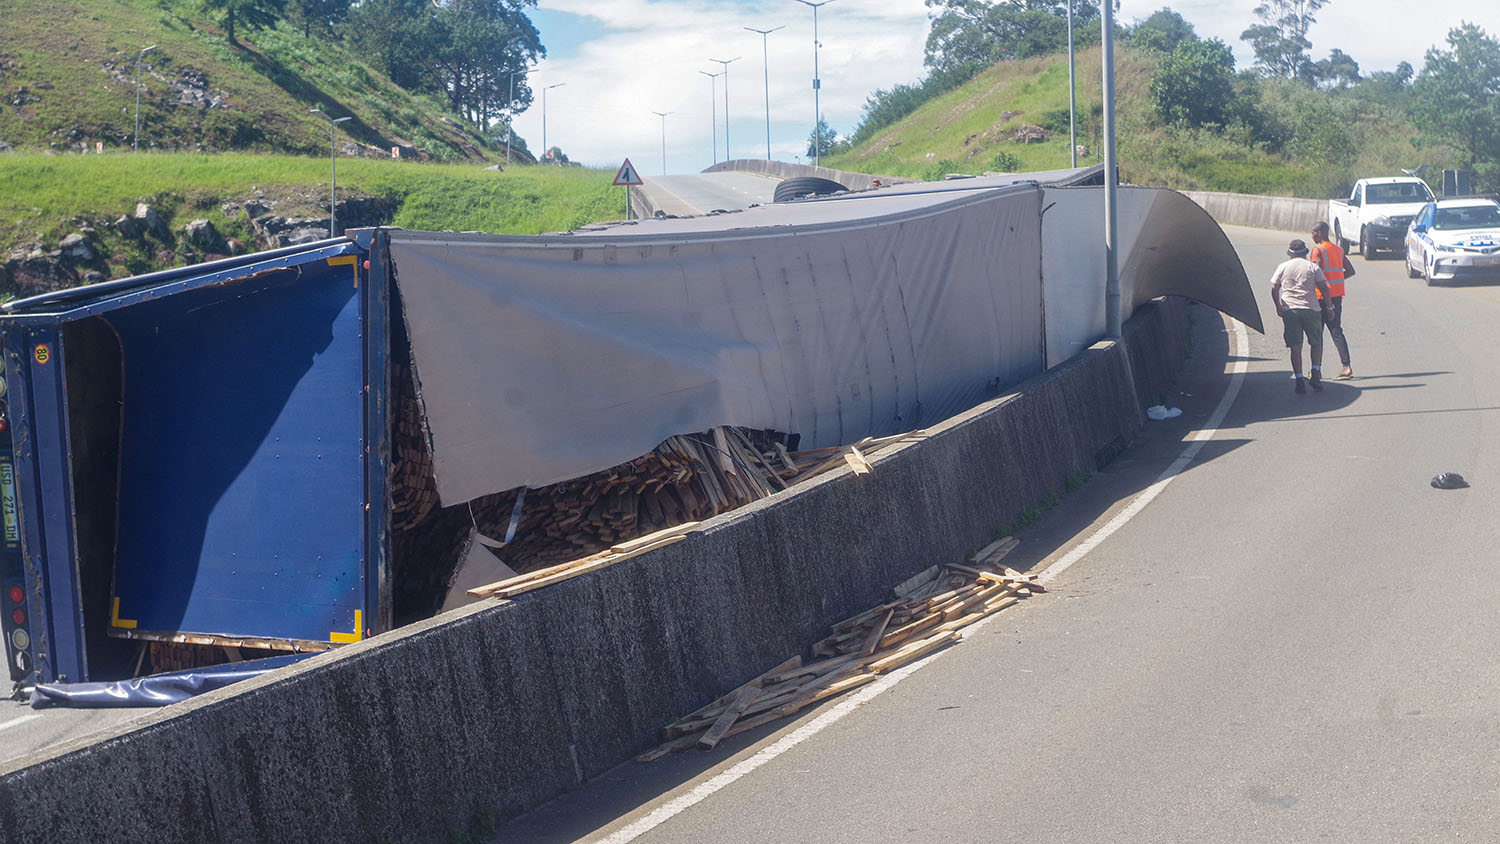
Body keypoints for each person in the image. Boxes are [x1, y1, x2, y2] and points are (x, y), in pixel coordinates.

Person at [1271, 239, 1336, 394]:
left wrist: (1278, 306)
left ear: (1290, 253)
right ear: (1305, 253)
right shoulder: (1312, 267)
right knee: (1316, 342)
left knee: (1295, 347)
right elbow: (1324, 289)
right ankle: (1315, 373)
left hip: (1290, 309)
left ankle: (1299, 379)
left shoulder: (1283, 267)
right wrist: (1330, 307)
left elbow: (1274, 288)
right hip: (1311, 309)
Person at [1309, 221, 1356, 379]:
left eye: (1314, 233)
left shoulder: (1318, 250)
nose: (1312, 235)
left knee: (1318, 333)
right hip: (1336, 296)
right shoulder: (1338, 249)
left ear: (1321, 233)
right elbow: (1350, 271)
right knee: (1336, 330)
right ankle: (1346, 366)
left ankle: (1316, 369)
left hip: (1321, 297)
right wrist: (1336, 280)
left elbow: (1315, 274)